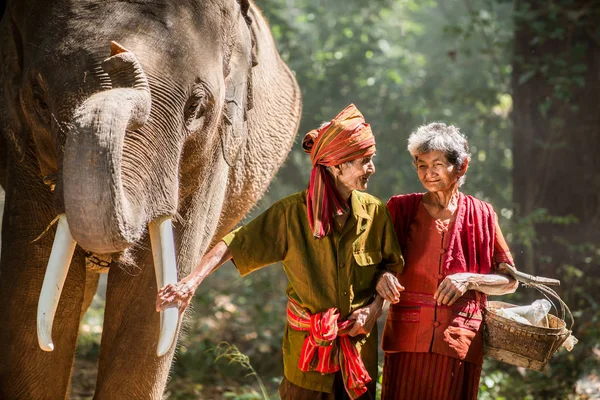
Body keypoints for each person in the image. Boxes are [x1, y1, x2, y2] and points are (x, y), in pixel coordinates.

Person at [156, 104, 404, 400]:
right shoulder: (290, 215)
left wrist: (374, 309)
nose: (372, 168)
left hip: (357, 361)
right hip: (307, 361)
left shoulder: (375, 212)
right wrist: (190, 283)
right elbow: (235, 244)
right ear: (337, 166)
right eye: (365, 161)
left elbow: (390, 267)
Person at [375, 122, 518, 400]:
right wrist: (382, 277)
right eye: (421, 165)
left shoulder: (483, 214)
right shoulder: (400, 209)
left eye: (437, 164)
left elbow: (510, 281)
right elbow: (373, 265)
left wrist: (469, 279)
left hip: (458, 342)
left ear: (461, 166)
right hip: (407, 340)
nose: (429, 173)